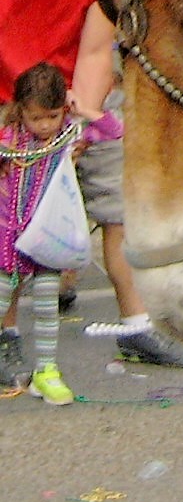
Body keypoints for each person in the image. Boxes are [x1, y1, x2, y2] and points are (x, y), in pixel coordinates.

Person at [0, 0, 183, 369]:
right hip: (12, 103)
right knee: (11, 224)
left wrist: (84, 120)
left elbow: (95, 50)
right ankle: (6, 335)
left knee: (119, 210)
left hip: (80, 95)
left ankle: (137, 327)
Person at [0, 63, 104, 400]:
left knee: (47, 305)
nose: (45, 125)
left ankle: (46, 370)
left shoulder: (68, 135)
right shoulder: (9, 138)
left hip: (46, 237)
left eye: (52, 116)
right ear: (20, 112)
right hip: (8, 238)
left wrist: (81, 109)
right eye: (36, 118)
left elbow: (112, 128)